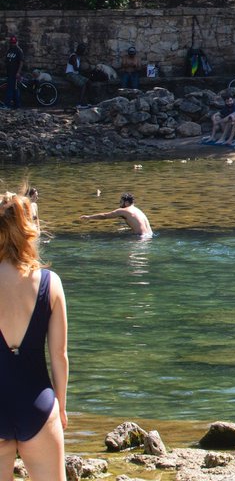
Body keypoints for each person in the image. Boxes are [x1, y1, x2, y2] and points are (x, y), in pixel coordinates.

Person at [1, 190, 69, 481]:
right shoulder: (50, 283)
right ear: (32, 229)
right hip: (38, 404)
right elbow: (59, 356)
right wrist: (61, 407)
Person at [80, 193, 153, 237]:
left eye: (121, 202)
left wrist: (89, 217)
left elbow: (104, 216)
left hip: (140, 238)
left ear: (127, 203)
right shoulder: (138, 211)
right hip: (150, 236)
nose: (120, 205)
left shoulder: (123, 210)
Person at [5, 36, 23, 109]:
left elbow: (21, 62)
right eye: (12, 43)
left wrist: (18, 72)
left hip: (15, 73)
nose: (13, 44)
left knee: (10, 89)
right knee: (15, 89)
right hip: (9, 73)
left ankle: (7, 105)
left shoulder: (19, 51)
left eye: (14, 43)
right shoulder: (9, 50)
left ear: (17, 42)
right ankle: (17, 105)